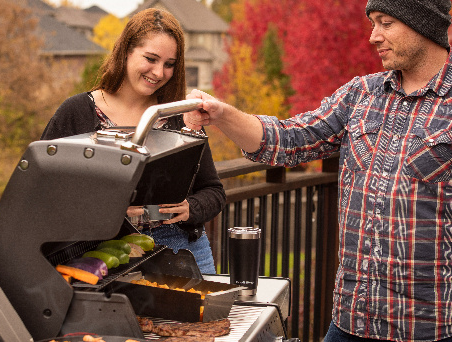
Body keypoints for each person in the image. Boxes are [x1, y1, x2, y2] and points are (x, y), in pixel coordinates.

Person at [185, 0, 452, 340]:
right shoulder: (362, 95)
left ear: (422, 24)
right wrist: (221, 113)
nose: (373, 37)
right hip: (350, 320)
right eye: (373, 23)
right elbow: (288, 140)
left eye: (385, 23)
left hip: (426, 327)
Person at [40, 8, 226, 274]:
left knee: (207, 317)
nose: (159, 72)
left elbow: (214, 191)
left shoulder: (177, 115)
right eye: (150, 59)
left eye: (169, 64)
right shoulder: (77, 112)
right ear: (126, 51)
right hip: (108, 254)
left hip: (183, 250)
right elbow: (44, 189)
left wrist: (190, 208)